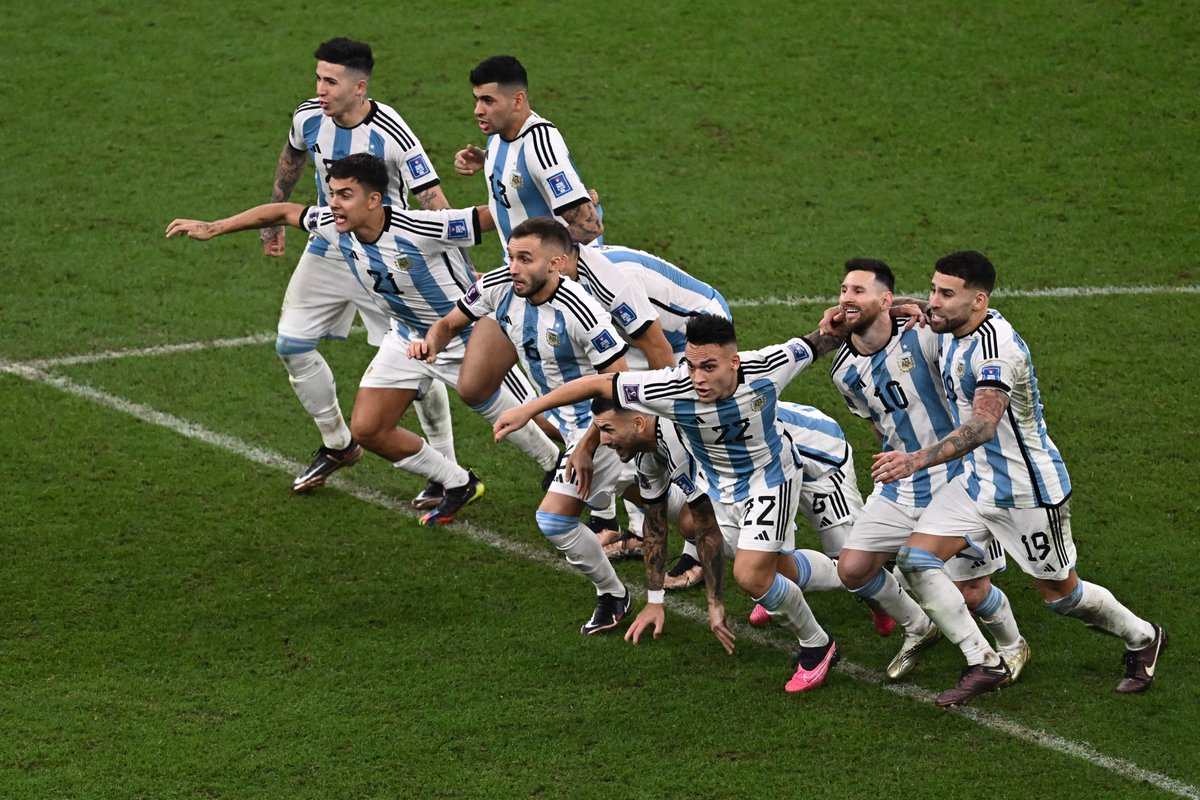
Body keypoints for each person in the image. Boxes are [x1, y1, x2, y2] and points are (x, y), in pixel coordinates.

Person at [166, 154, 555, 525]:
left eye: (345, 195)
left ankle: (560, 469)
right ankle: (458, 483)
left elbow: (495, 217)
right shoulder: (333, 225)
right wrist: (215, 227)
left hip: (470, 337)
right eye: (332, 193)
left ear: (374, 200)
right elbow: (283, 212)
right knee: (368, 429)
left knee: (546, 421)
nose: (333, 203)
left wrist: (564, 208)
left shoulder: (422, 228)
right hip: (406, 338)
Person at [495, 314, 850, 693]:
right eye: (692, 366)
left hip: (781, 468)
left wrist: (882, 314)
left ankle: (819, 643)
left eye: (709, 367)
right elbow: (598, 386)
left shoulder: (760, 370)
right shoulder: (665, 406)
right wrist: (532, 413)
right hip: (728, 486)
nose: (697, 378)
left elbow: (820, 339)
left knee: (751, 574)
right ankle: (849, 575)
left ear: (734, 362)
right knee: (752, 559)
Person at [874, 251, 1166, 706]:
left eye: (946, 294)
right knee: (915, 561)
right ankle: (984, 662)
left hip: (1025, 492)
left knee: (1061, 595)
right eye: (933, 289)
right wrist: (881, 304)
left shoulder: (998, 351)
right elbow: (912, 310)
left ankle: (1144, 636)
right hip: (975, 482)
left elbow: (982, 425)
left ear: (979, 300)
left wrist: (916, 460)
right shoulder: (951, 324)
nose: (934, 302)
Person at [261, 38, 478, 504]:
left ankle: (445, 469)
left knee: (417, 359)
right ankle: (338, 444)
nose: (319, 89)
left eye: (330, 81)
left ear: (359, 87)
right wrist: (275, 214)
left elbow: (433, 201)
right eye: (318, 78)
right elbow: (293, 155)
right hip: (330, 246)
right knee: (291, 344)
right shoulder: (308, 117)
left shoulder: (393, 133)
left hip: (388, 259)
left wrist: (467, 274)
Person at [410, 217, 634, 634]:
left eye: (525, 259)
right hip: (573, 430)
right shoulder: (498, 285)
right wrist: (431, 343)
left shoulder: (582, 310)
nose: (513, 267)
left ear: (556, 264)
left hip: (609, 427)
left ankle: (619, 591)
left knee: (558, 520)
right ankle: (618, 592)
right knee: (665, 506)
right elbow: (449, 323)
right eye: (511, 256)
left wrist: (587, 445)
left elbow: (617, 385)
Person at [829, 258, 1029, 683]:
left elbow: (962, 322)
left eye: (858, 291)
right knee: (853, 569)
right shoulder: (843, 370)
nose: (847, 298)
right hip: (901, 482)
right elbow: (878, 423)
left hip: (958, 476)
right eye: (844, 290)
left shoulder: (924, 334)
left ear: (886, 299)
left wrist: (918, 306)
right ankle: (920, 626)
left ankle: (1012, 646)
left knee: (971, 591)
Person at [450, 55, 608, 474]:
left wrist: (584, 210)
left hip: (557, 290)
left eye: (488, 100)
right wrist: (485, 165)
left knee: (581, 408)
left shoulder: (541, 143)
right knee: (474, 385)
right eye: (476, 100)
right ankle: (559, 460)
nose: (478, 110)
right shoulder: (501, 140)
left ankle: (634, 490)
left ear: (517, 100)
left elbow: (588, 228)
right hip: (518, 282)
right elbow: (518, 195)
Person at [584, 397, 735, 654]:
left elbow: (706, 525)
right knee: (691, 522)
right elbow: (654, 525)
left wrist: (715, 602)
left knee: (753, 574)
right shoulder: (647, 454)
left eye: (608, 429)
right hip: (747, 477)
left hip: (791, 457)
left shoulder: (679, 444)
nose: (603, 440)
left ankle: (811, 644)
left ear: (638, 423)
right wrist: (654, 600)